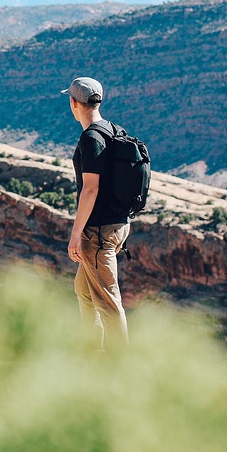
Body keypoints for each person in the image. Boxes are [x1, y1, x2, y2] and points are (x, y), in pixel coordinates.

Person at [63, 75, 130, 351]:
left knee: (108, 301)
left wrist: (76, 234)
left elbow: (90, 189)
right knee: (84, 292)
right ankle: (90, 354)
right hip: (117, 225)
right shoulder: (114, 130)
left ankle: (121, 369)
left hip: (98, 231)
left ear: (74, 103)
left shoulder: (91, 138)